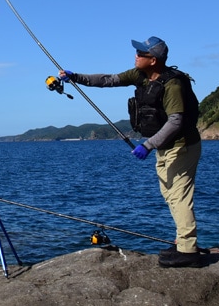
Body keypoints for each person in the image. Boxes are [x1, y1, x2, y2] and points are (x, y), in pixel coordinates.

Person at [59, 36, 203, 268]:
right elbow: (108, 80)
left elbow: (176, 121)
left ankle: (188, 252)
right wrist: (75, 77)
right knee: (169, 195)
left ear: (153, 60)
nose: (136, 55)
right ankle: (182, 242)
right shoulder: (140, 75)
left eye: (141, 53)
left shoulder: (173, 85)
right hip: (165, 147)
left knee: (179, 196)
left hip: (182, 146)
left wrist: (147, 145)